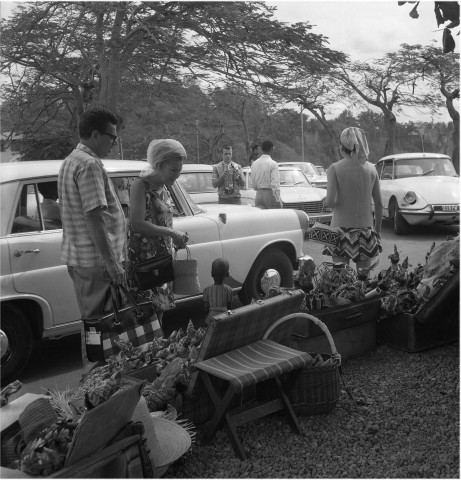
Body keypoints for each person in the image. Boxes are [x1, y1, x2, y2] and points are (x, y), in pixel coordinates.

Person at [58, 106, 126, 378]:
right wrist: (112, 263)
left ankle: (96, 383)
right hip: (95, 263)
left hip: (83, 260)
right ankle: (95, 388)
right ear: (95, 134)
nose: (113, 143)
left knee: (94, 326)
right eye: (112, 137)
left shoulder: (71, 160)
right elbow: (94, 217)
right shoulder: (88, 164)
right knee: (100, 329)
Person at [126, 139, 189, 327]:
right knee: (146, 316)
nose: (177, 175)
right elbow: (136, 224)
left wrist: (175, 238)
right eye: (173, 170)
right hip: (145, 263)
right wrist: (170, 233)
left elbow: (163, 220)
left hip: (162, 260)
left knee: (160, 312)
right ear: (160, 165)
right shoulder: (140, 185)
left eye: (179, 171)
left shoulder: (165, 187)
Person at [323, 127, 383, 275]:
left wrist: (327, 200)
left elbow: (330, 202)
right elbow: (379, 204)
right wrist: (378, 230)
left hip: (340, 232)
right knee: (364, 280)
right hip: (366, 231)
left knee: (340, 280)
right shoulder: (372, 169)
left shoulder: (334, 169)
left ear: (342, 146)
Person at [250, 139, 281, 209]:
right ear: (271, 149)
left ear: (262, 149)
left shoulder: (254, 164)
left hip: (258, 194)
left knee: (261, 218)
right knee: (273, 218)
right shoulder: (273, 164)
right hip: (269, 194)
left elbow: (252, 182)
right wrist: (278, 199)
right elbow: (275, 184)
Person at [202, 258, 233, 324]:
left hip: (211, 318)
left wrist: (208, 316)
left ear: (212, 273)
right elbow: (229, 307)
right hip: (225, 318)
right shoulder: (229, 290)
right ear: (227, 274)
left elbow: (206, 307)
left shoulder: (206, 290)